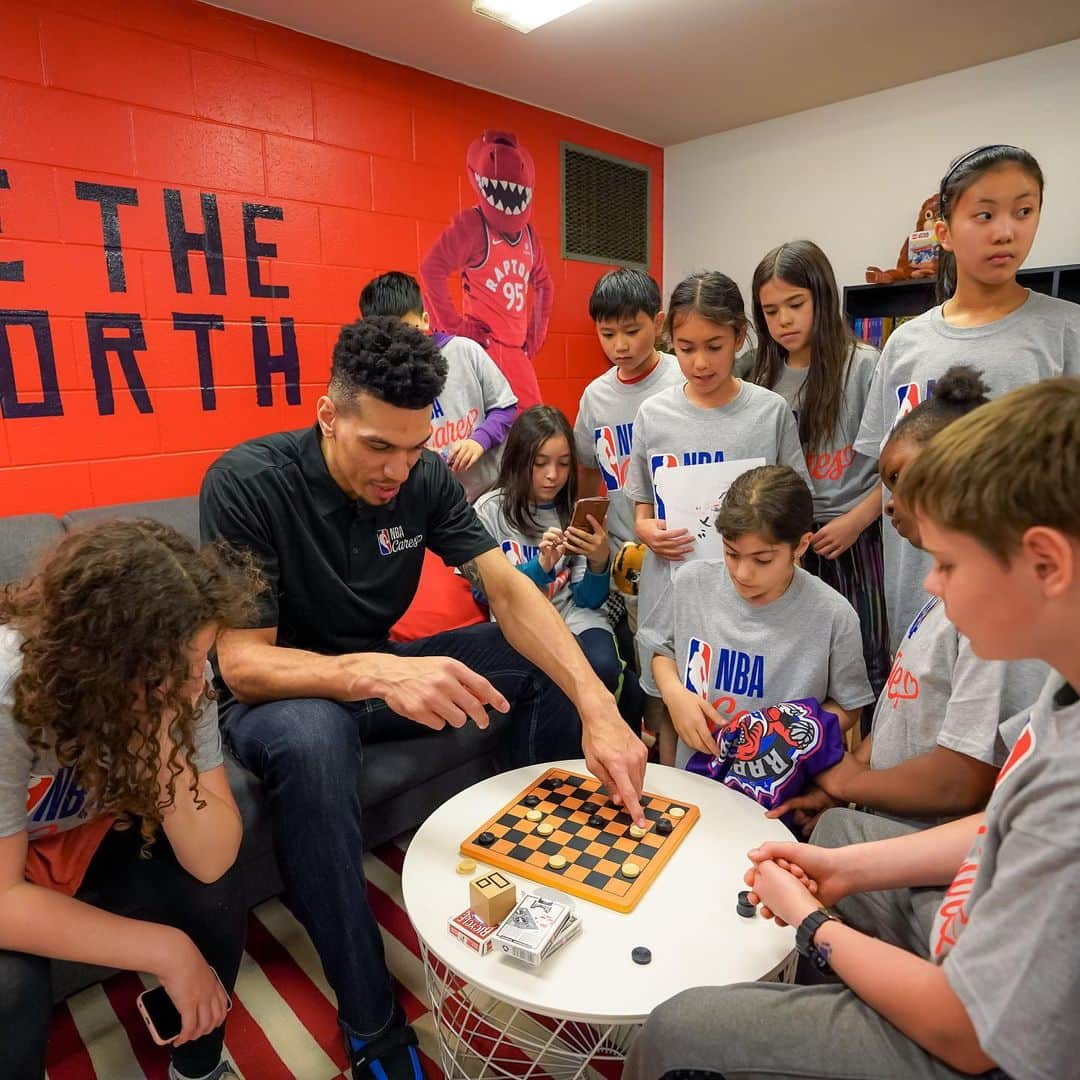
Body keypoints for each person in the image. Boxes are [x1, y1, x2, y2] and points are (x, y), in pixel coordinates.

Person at [199, 316, 646, 1080]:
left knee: (546, 657)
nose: (398, 470)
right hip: (283, 696)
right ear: (328, 414)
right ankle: (371, 1022)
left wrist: (600, 706)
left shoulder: (424, 477)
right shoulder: (247, 482)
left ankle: (535, 885)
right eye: (379, 447)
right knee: (312, 742)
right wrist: (380, 673)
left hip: (378, 672)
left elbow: (506, 590)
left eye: (414, 447)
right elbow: (243, 665)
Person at [626, 375, 1080, 1080]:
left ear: (1047, 563)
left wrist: (813, 922)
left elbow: (967, 1035)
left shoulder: (1069, 798)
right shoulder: (1061, 682)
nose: (929, 584)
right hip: (963, 926)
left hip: (974, 1034)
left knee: (674, 1032)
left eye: (950, 563)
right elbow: (998, 825)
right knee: (834, 840)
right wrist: (841, 866)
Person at [0, 520, 261, 1080]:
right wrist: (164, 949)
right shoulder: (8, 697)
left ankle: (198, 1067)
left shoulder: (185, 680)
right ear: (99, 667)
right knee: (10, 991)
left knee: (213, 889)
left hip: (81, 839)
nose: (198, 684)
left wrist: (162, 734)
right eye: (174, 674)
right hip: (10, 866)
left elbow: (213, 856)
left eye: (200, 660)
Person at [770, 368, 1046, 837]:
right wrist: (843, 787)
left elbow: (960, 782)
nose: (890, 504)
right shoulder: (941, 602)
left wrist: (848, 781)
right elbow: (902, 710)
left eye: (899, 479)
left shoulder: (989, 618)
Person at [854, 144, 1080, 652]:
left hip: (1024, 603)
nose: (1006, 230)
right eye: (984, 214)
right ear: (944, 232)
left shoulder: (1067, 331)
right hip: (917, 590)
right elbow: (885, 468)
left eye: (1024, 211)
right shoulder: (904, 343)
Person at [623, 272, 811, 764]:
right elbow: (641, 505)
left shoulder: (769, 413)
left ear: (740, 337)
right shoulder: (654, 414)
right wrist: (646, 530)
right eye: (685, 348)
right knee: (670, 703)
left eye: (714, 346)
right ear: (670, 341)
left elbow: (797, 501)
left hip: (748, 594)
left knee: (742, 705)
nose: (700, 362)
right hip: (674, 581)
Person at [650, 465, 872, 770]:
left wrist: (787, 739)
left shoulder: (833, 614)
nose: (742, 573)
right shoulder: (691, 583)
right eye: (731, 553)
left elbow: (850, 706)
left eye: (762, 559)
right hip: (697, 775)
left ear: (801, 545)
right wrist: (674, 694)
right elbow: (664, 652)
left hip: (774, 790)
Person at [751, 240, 889, 698]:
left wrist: (855, 520)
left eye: (796, 304)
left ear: (822, 299)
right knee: (800, 662)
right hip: (791, 539)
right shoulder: (760, 375)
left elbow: (898, 467)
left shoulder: (864, 366)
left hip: (856, 537)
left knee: (865, 659)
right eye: (771, 311)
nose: (784, 320)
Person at [475, 406, 644, 731]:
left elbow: (590, 601)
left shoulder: (575, 510)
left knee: (605, 666)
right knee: (548, 678)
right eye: (540, 464)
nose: (553, 475)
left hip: (576, 617)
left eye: (563, 464)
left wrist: (598, 561)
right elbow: (483, 591)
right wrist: (540, 567)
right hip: (521, 623)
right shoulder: (490, 510)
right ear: (519, 459)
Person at [573, 268, 683, 758]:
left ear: (657, 323)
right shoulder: (596, 396)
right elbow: (586, 471)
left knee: (681, 663)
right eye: (607, 333)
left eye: (632, 331)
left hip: (683, 549)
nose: (619, 344)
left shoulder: (683, 378)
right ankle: (652, 761)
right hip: (623, 557)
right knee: (641, 664)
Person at [359, 270, 517, 502]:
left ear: (425, 320)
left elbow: (505, 408)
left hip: (490, 494)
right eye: (389, 337)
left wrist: (479, 441)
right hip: (430, 502)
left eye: (408, 330)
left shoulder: (465, 352)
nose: (401, 344)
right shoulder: (377, 379)